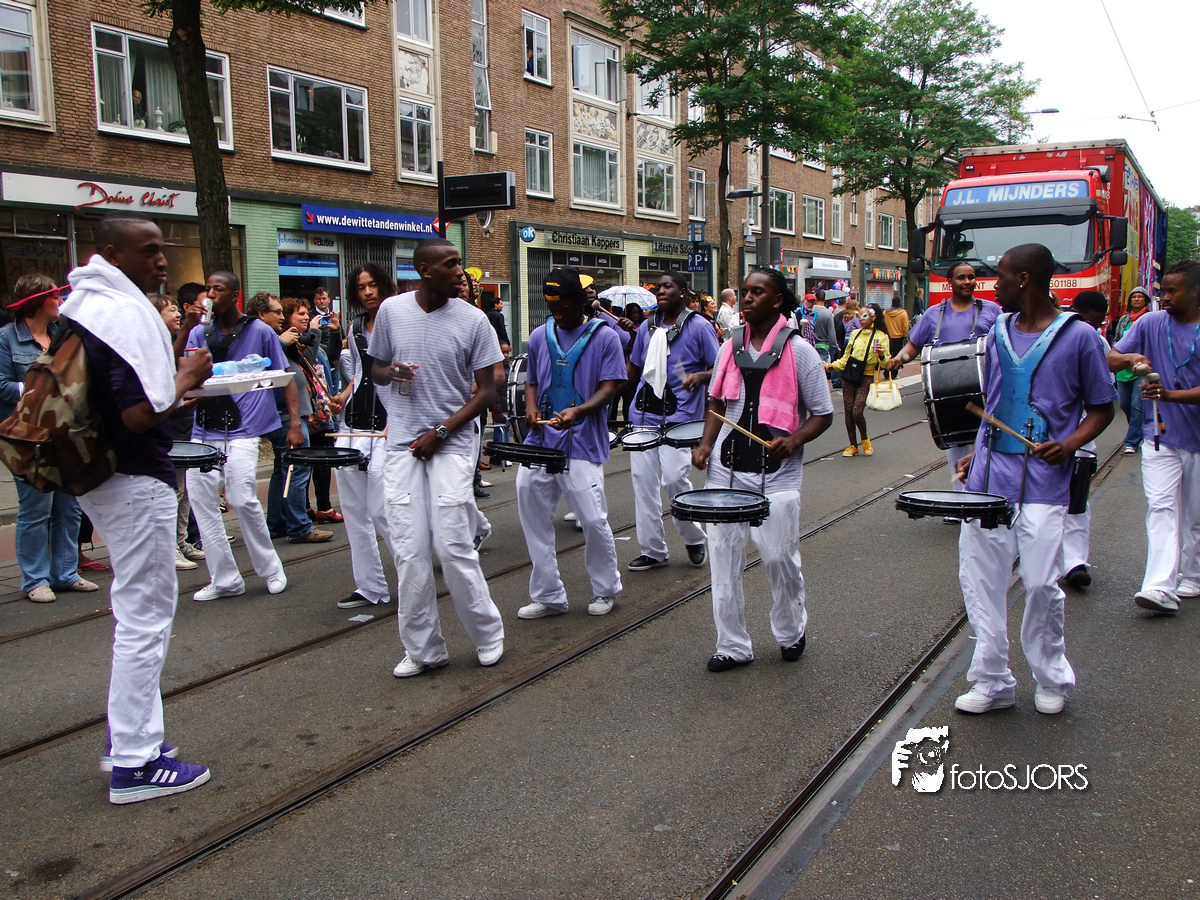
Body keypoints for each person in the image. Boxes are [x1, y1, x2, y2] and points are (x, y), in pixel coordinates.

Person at [58, 211, 213, 802]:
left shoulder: (86, 306)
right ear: (111, 254)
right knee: (145, 617)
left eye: (161, 247)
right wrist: (186, 376)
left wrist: (172, 383)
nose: (162, 259)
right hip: (134, 477)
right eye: (148, 250)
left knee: (135, 612)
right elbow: (138, 413)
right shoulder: (122, 314)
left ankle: (129, 735)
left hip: (102, 474)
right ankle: (135, 763)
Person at [954, 243, 1114, 717]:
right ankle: (992, 680)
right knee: (980, 581)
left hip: (1045, 481)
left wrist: (1070, 443)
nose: (992, 285)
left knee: (1042, 583)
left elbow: (1102, 408)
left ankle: (1050, 676)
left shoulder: (1080, 337)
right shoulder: (996, 331)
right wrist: (975, 453)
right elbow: (994, 400)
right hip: (989, 478)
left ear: (1024, 279)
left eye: (1001, 275)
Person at [369, 237, 506, 677]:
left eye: (459, 262)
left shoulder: (474, 320)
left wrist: (442, 430)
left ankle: (488, 634)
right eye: (450, 264)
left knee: (451, 544)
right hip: (402, 445)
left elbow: (487, 391)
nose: (459, 271)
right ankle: (423, 649)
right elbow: (375, 368)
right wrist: (390, 371)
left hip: (452, 442)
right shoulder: (391, 311)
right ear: (425, 271)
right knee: (409, 552)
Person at [693, 268, 833, 671]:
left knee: (778, 559)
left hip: (778, 475)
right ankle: (732, 645)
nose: (748, 298)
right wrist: (706, 444)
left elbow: (822, 413)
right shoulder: (728, 346)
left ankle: (791, 630)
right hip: (726, 472)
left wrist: (794, 439)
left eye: (758, 291)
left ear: (778, 300)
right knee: (723, 562)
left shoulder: (801, 352)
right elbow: (717, 403)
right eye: (745, 292)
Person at [515, 267, 626, 619]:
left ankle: (605, 588)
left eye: (564, 308)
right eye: (552, 308)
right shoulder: (539, 336)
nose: (558, 314)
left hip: (582, 443)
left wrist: (578, 411)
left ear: (581, 302)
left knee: (592, 519)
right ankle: (548, 595)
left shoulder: (605, 337)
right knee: (532, 513)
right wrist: (530, 407)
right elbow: (532, 381)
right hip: (541, 440)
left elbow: (610, 388)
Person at [183, 271, 296, 600]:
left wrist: (293, 423)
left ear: (234, 295)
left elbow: (285, 376)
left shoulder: (259, 330)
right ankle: (225, 579)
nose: (210, 294)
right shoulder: (198, 331)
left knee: (242, 495)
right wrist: (186, 328)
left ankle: (271, 568)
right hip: (204, 425)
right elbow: (181, 370)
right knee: (201, 498)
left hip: (243, 427)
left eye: (217, 289)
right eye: (207, 289)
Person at [1108, 260, 1200, 614]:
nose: (1166, 297)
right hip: (1159, 437)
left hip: (1196, 439)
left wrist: (1171, 395)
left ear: (1195, 292)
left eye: (1174, 291)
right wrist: (1131, 357)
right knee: (1161, 508)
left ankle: (1193, 573)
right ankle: (1159, 586)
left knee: (1194, 516)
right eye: (1163, 291)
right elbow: (1112, 358)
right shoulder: (1149, 323)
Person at [0, 274, 93, 602]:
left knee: (69, 506)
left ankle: (65, 573)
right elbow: (1, 384)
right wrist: (40, 388)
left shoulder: (63, 334)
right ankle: (35, 580)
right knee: (36, 508)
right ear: (37, 301)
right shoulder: (6, 339)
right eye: (55, 296)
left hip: (65, 434)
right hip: (27, 439)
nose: (61, 301)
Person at [625, 271, 720, 570]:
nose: (661, 291)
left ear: (683, 293)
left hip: (680, 418)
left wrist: (700, 376)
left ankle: (693, 537)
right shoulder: (647, 327)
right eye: (659, 288)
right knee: (643, 483)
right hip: (643, 415)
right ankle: (653, 550)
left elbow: (719, 369)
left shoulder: (700, 326)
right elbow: (634, 369)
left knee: (675, 479)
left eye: (668, 286)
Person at [883, 261, 1002, 488]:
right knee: (958, 456)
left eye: (971, 277)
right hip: (949, 395)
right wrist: (899, 359)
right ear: (950, 282)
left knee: (987, 452)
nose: (968, 282)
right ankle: (963, 500)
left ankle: (985, 498)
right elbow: (914, 346)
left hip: (985, 392)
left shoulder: (992, 310)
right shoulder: (933, 314)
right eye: (961, 277)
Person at [330, 264, 397, 610]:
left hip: (387, 426)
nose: (368, 292)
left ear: (384, 285)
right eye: (361, 287)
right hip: (352, 425)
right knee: (354, 511)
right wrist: (342, 396)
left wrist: (399, 421)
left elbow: (409, 375)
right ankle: (370, 587)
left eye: (372, 285)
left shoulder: (400, 320)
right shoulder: (355, 326)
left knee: (382, 509)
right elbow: (359, 372)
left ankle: (414, 578)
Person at [248, 292, 334, 546]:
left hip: (290, 413)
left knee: (282, 469)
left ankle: (277, 524)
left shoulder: (276, 339)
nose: (281, 317)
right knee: (297, 468)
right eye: (277, 312)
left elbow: (308, 361)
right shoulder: (264, 339)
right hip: (285, 414)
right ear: (262, 314)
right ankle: (299, 526)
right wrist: (281, 343)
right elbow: (258, 366)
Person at [1060, 290, 1111, 590]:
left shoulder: (1094, 339)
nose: (1092, 328)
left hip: (1079, 436)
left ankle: (1075, 562)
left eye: (1097, 324)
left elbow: (1102, 397)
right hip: (1039, 436)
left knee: (1076, 501)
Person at [151, 294, 205, 571]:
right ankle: (167, 548)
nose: (176, 314)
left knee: (183, 490)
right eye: (169, 310)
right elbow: (167, 375)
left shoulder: (177, 340)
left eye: (176, 309)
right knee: (171, 490)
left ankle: (181, 541)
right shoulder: (153, 343)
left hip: (184, 424)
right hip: (167, 427)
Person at [827, 304, 889, 457]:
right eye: (858, 316)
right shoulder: (855, 334)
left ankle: (865, 439)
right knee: (848, 411)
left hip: (866, 376)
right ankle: (853, 445)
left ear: (873, 317)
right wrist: (830, 366)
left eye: (864, 316)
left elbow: (886, 364)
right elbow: (846, 358)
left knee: (857, 411)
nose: (861, 319)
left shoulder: (881, 336)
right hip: (849, 376)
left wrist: (881, 355)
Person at [1112, 286, 1151, 455]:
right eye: (1134, 296)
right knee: (1125, 404)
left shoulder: (1149, 319)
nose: (1136, 299)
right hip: (1123, 369)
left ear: (1146, 300)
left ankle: (1131, 441)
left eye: (1140, 296)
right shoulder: (1124, 320)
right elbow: (1117, 340)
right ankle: (1138, 429)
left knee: (1137, 405)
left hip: (1141, 369)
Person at [312, 286, 342, 370]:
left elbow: (342, 336)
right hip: (320, 360)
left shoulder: (334, 316)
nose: (322, 301)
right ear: (314, 301)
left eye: (324, 298)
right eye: (319, 299)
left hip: (335, 361)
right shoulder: (310, 317)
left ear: (328, 300)